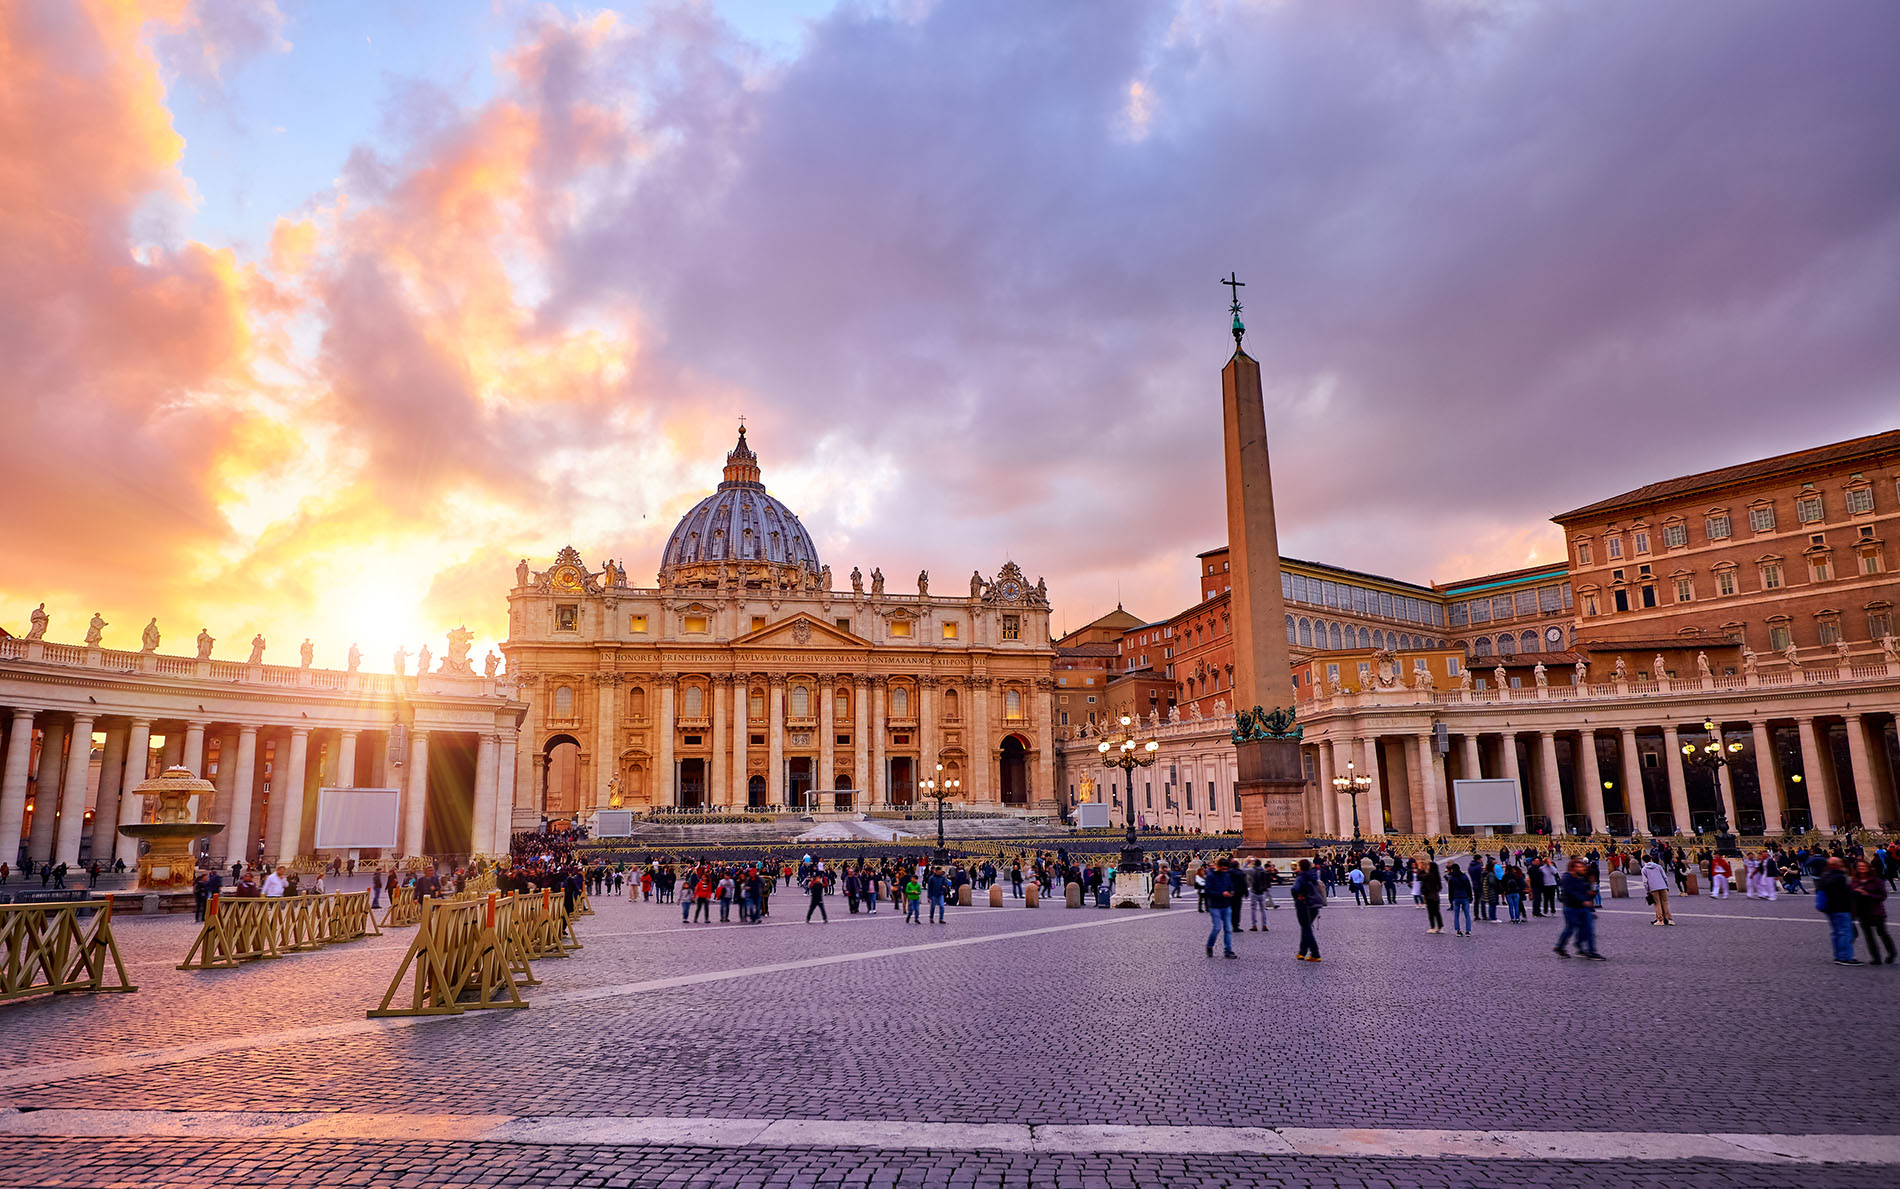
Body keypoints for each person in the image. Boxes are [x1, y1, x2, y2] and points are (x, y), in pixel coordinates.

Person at [1553, 857, 1606, 960]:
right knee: (1570, 928)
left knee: (1588, 929)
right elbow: (1571, 892)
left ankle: (1590, 951)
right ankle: (1561, 946)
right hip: (1571, 908)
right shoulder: (1567, 878)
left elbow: (1587, 893)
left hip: (1583, 908)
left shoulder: (1582, 878)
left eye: (1582, 866)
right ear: (1573, 868)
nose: (1583, 868)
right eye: (1580, 866)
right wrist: (1584, 900)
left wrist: (1592, 885)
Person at [1817, 856, 1858, 965]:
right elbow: (1847, 893)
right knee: (1845, 932)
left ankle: (1838, 955)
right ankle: (1846, 957)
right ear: (1838, 865)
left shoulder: (1824, 875)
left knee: (1836, 933)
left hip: (1829, 908)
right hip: (1841, 908)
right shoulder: (1840, 877)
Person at [1852, 859, 1893, 965]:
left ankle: (1891, 953)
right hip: (1862, 912)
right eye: (1859, 867)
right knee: (1869, 936)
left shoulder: (1876, 880)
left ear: (1868, 868)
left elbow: (1882, 896)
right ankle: (1876, 957)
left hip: (1876, 911)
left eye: (1863, 866)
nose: (1861, 868)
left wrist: (1867, 894)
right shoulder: (1855, 880)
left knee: (1882, 933)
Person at [1291, 858, 1324, 962]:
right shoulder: (1312, 875)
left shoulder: (1302, 877)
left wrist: (1297, 897)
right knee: (1306, 928)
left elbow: (1295, 889)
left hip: (1304, 905)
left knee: (1306, 928)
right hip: (1315, 904)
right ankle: (1302, 952)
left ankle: (1315, 953)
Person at [1204, 857, 1237, 958]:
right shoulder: (1210, 876)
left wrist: (1232, 891)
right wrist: (1222, 893)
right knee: (1217, 928)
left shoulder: (1226, 875)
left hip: (1226, 905)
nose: (1225, 870)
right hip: (1215, 906)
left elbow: (1230, 886)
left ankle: (1228, 950)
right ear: (1217, 866)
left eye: (1226, 869)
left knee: (1228, 928)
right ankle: (1209, 946)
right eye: (1223, 868)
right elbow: (1208, 891)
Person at [1641, 856, 1674, 925]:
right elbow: (1664, 877)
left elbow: (1645, 881)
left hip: (1653, 888)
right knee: (1665, 902)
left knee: (1657, 903)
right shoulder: (1658, 866)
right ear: (1651, 859)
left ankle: (1660, 920)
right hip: (1662, 886)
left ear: (1644, 861)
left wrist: (1647, 890)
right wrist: (1666, 886)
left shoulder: (1644, 869)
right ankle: (1669, 919)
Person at [1446, 862, 1473, 936]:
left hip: (1455, 897)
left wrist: (1450, 900)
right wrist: (1470, 897)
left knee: (1456, 915)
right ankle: (1468, 931)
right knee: (1467, 915)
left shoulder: (1451, 879)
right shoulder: (1464, 876)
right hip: (1465, 897)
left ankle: (1458, 931)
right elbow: (1468, 887)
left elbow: (1450, 891)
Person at [1420, 856, 1444, 934]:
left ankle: (1432, 927)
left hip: (1430, 896)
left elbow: (1420, 877)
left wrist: (1422, 869)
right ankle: (1440, 926)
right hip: (1435, 896)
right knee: (1436, 912)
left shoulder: (1429, 876)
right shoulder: (1436, 876)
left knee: (1431, 912)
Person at [1247, 860, 1272, 932]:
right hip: (1262, 892)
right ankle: (1264, 925)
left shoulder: (1252, 870)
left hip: (1254, 891)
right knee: (1263, 910)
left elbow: (1243, 870)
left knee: (1253, 909)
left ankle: (1254, 925)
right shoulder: (1264, 871)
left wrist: (1247, 863)